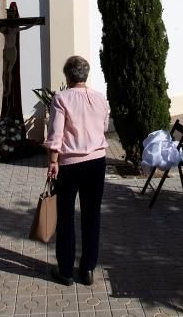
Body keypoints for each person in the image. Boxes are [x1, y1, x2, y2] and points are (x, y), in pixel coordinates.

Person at [44, 55, 109, 287]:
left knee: (66, 216)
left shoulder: (61, 98)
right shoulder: (101, 99)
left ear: (67, 76)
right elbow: (103, 127)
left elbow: (56, 133)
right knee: (92, 215)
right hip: (97, 162)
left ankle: (65, 271)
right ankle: (88, 268)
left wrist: (53, 160)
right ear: (85, 74)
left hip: (70, 164)